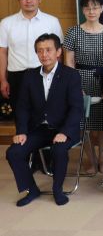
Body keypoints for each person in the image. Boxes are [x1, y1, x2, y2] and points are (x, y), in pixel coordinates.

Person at [6, 33, 83, 207]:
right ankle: (31, 189)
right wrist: (21, 131)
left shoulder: (71, 75)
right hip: (39, 129)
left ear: (58, 52)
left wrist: (65, 132)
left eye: (48, 50)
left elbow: (76, 108)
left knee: (59, 150)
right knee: (14, 152)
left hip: (65, 128)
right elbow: (23, 107)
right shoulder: (30, 76)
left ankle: (57, 189)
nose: (44, 54)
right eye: (40, 51)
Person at [63, 0, 103, 172]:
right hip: (79, 78)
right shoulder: (73, 32)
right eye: (87, 8)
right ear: (83, 10)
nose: (91, 11)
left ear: (101, 9)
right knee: (82, 123)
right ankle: (91, 159)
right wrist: (74, 86)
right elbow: (68, 61)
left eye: (95, 7)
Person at [0, 0, 63, 121]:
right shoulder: (6, 23)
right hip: (16, 76)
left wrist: (58, 77)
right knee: (20, 116)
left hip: (44, 74)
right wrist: (3, 80)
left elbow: (58, 52)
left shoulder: (52, 21)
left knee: (44, 117)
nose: (28, 1)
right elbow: (2, 53)